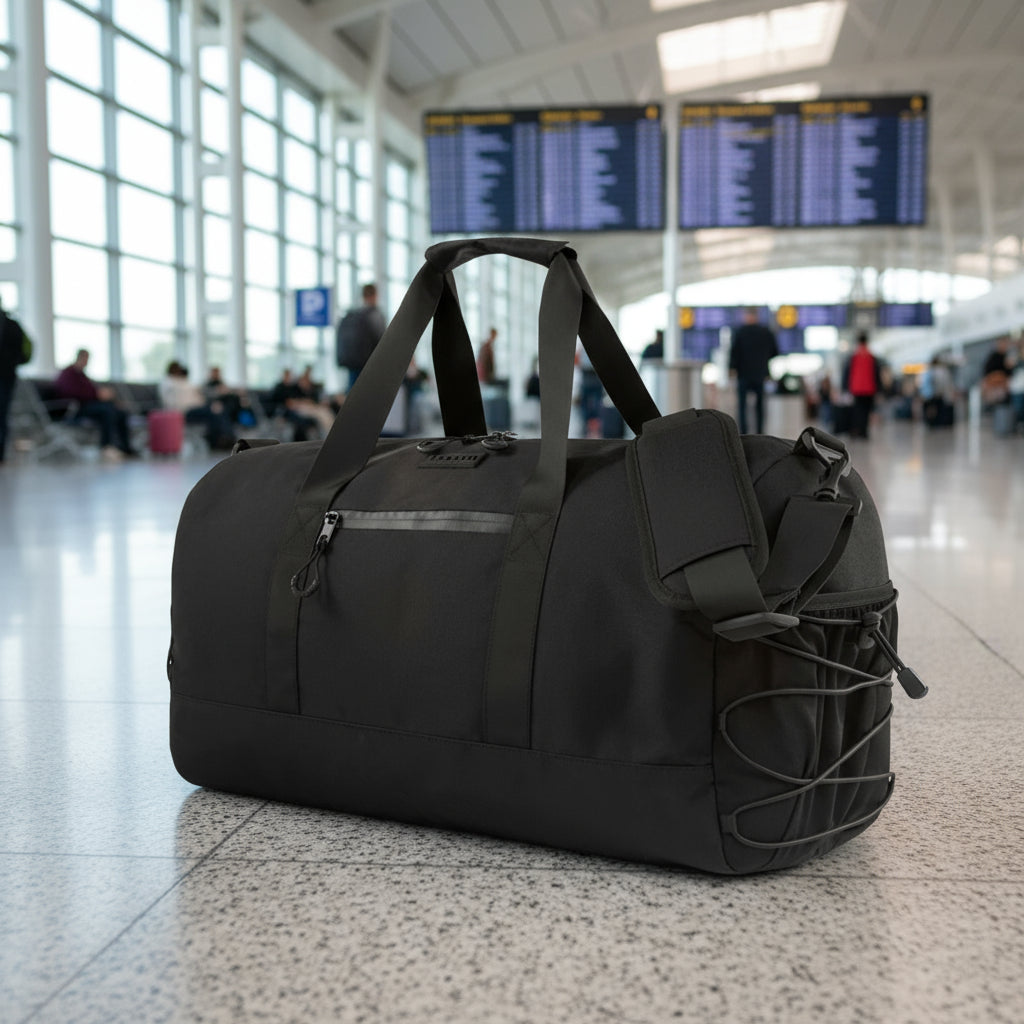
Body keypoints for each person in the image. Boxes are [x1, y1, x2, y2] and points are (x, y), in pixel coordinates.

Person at [54, 348, 138, 460]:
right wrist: (97, 395)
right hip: (75, 409)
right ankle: (106, 446)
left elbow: (92, 391)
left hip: (90, 405)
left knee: (120, 412)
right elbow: (71, 393)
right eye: (85, 359)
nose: (86, 362)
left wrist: (105, 397)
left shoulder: (82, 375)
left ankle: (124, 447)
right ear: (80, 358)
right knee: (107, 411)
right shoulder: (68, 373)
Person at [159, 361, 235, 450]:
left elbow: (197, 397)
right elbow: (177, 402)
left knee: (217, 411)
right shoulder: (171, 383)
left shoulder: (181, 383)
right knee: (215, 412)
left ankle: (222, 439)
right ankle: (221, 439)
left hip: (194, 408)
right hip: (185, 410)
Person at [729, 307, 779, 434]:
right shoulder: (765, 332)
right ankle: (760, 431)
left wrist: (732, 369)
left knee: (742, 406)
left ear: (746, 316)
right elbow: (775, 351)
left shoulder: (740, 332)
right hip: (760, 374)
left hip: (743, 374)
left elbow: (734, 353)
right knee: (760, 405)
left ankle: (743, 432)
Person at [335, 283, 386, 388]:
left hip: (352, 363)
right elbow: (383, 340)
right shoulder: (375, 315)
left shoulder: (352, 315)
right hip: (369, 365)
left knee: (352, 392)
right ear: (375, 295)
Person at [0, 302, 32, 464]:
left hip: (6, 375)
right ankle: (1, 455)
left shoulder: (11, 325)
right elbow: (25, 353)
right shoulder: (14, 325)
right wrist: (12, 362)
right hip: (8, 375)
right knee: (3, 414)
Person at [842, 331, 883, 440]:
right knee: (866, 411)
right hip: (870, 389)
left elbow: (847, 373)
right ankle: (864, 432)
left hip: (856, 389)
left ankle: (857, 431)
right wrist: (879, 389)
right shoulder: (871, 357)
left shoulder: (853, 357)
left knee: (857, 411)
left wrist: (845, 388)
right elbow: (877, 374)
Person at [270, 369, 319, 442]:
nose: (289, 377)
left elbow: (296, 398)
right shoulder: (279, 387)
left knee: (305, 418)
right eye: (288, 376)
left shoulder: (291, 387)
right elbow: (281, 401)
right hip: (283, 410)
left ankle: (305, 436)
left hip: (294, 408)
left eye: (290, 376)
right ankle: (301, 439)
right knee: (300, 420)